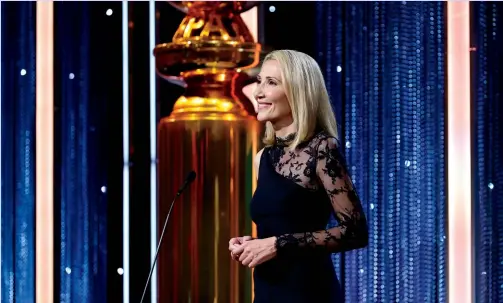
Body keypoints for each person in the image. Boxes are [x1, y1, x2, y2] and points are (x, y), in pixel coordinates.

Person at [228, 49, 369, 303]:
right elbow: (278, 227)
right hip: (267, 293)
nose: (258, 92)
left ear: (297, 91)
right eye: (259, 80)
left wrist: (276, 245)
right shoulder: (263, 158)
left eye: (271, 83)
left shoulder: (322, 148)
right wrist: (251, 244)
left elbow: (355, 231)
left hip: (309, 293)